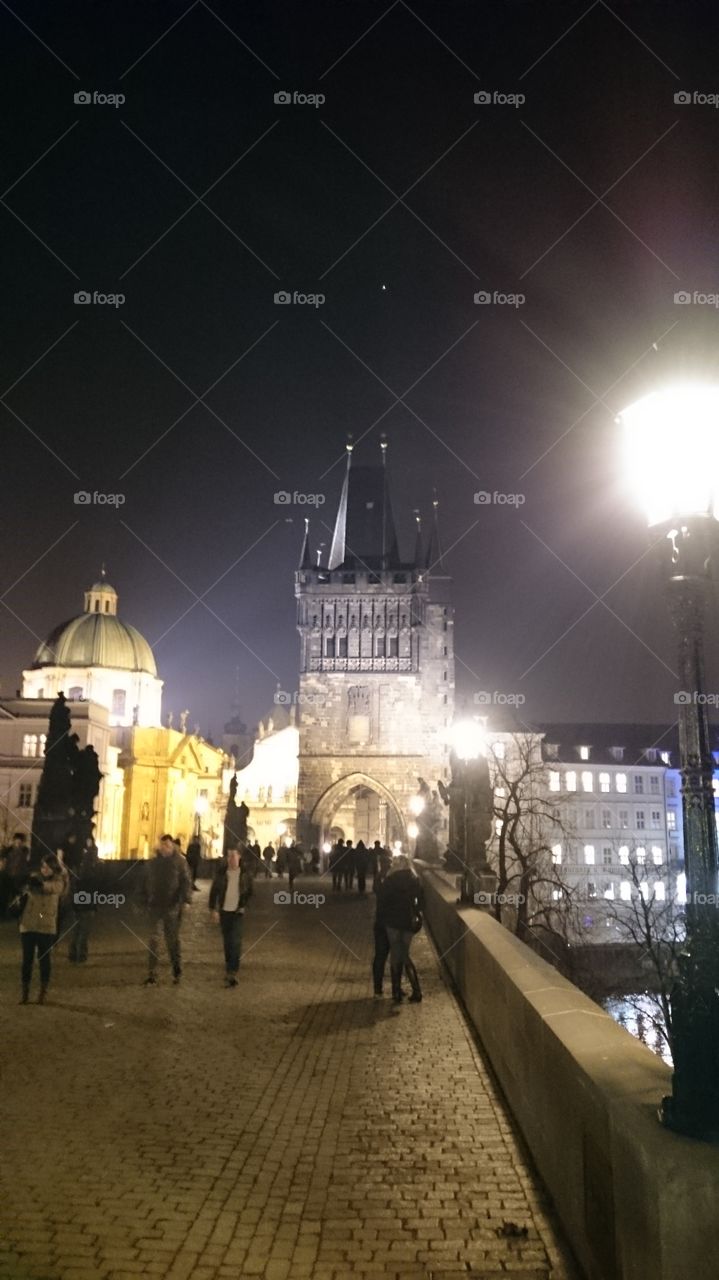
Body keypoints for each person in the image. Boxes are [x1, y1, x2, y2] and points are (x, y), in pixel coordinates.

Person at [142, 833, 193, 985]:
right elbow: (144, 883)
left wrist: (185, 900)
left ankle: (177, 970)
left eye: (168, 846)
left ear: (172, 847)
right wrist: (143, 900)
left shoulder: (180, 862)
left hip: (172, 906)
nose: (165, 848)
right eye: (163, 845)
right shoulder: (152, 863)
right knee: (153, 939)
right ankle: (152, 972)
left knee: (172, 940)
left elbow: (186, 882)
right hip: (155, 906)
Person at [18, 853, 65, 1004]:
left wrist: (37, 884)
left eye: (48, 867)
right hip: (28, 924)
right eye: (43, 866)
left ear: (54, 868)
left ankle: (42, 992)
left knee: (44, 961)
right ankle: (25, 992)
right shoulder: (34, 877)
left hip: (45, 926)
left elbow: (50, 888)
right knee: (27, 961)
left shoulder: (59, 881)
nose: (44, 870)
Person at [378, 854, 423, 1004]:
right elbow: (420, 901)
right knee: (404, 953)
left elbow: (382, 901)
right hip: (408, 920)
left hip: (392, 921)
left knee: (396, 955)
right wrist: (416, 913)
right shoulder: (414, 879)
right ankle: (416, 990)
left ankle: (396, 992)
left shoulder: (390, 880)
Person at [209, 846, 253, 986]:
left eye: (234, 856)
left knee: (235, 942)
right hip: (224, 911)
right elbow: (214, 891)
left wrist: (243, 906)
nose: (231, 859)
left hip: (237, 912)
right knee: (227, 943)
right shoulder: (222, 873)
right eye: (228, 856)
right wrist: (213, 909)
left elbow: (250, 893)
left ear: (239, 857)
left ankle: (233, 972)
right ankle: (229, 969)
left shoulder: (245, 874)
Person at [69, 837, 100, 963]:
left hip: (79, 903)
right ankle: (81, 954)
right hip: (87, 903)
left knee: (77, 929)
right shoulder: (93, 872)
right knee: (84, 931)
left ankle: (73, 953)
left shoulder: (78, 871)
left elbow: (74, 887)